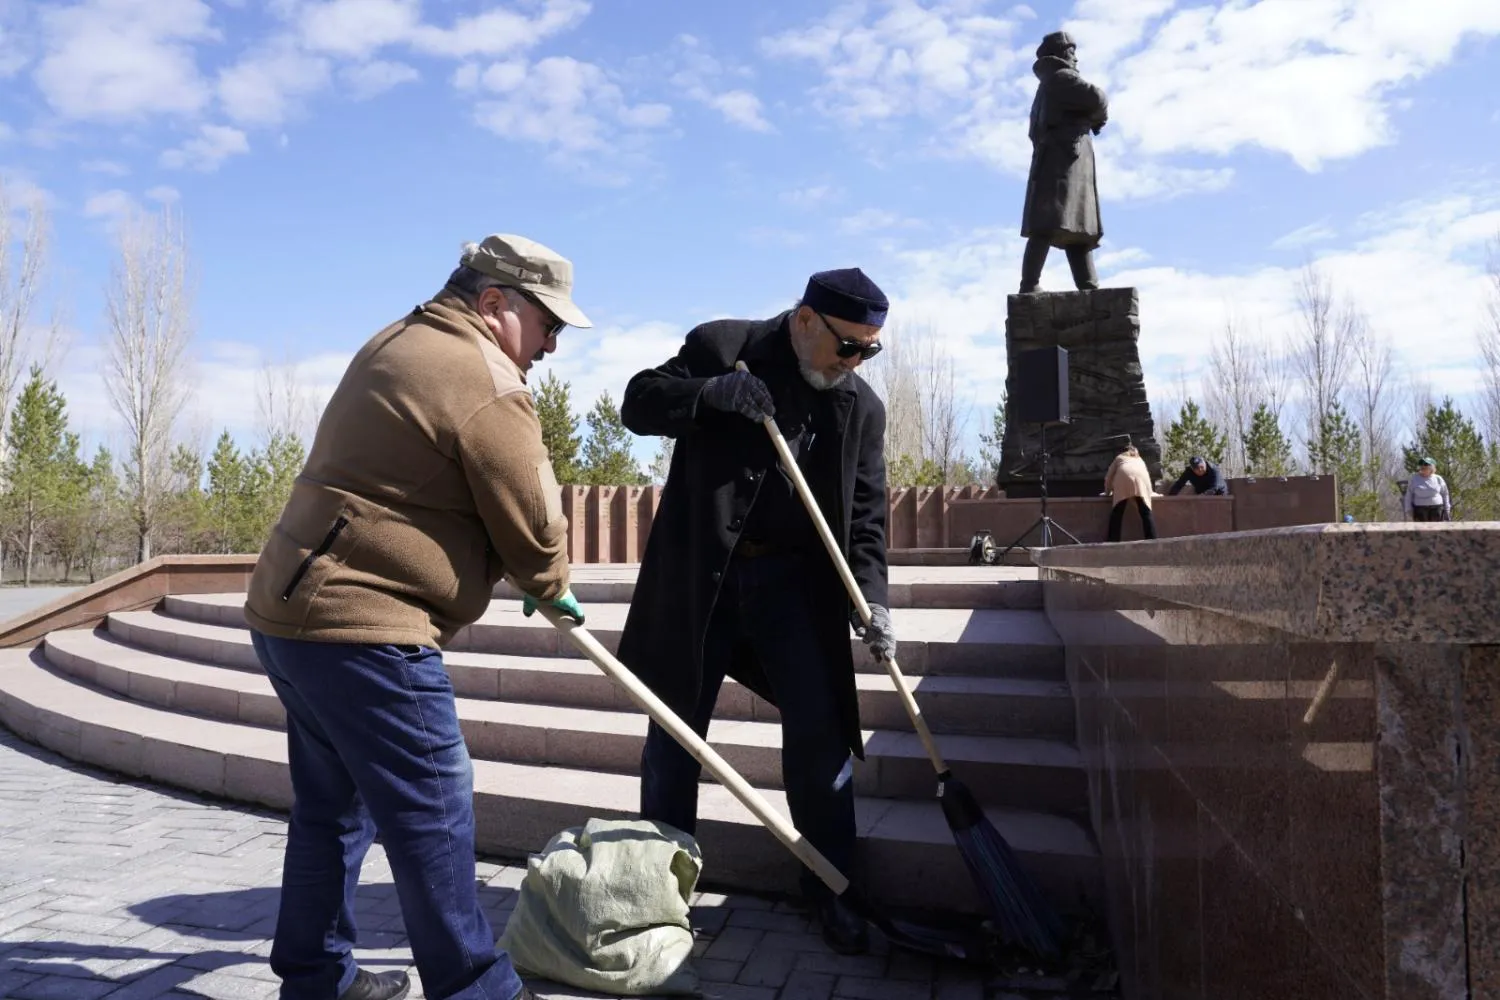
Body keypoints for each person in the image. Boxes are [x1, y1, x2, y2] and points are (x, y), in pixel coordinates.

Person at [242, 234, 591, 1000]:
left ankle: (314, 979)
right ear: (496, 304)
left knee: (332, 813)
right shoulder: (484, 377)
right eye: (549, 325)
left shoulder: (397, 341)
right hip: (366, 629)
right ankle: (476, 989)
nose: (554, 345)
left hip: (290, 614)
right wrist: (550, 579)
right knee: (433, 814)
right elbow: (534, 518)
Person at [616, 268, 895, 956]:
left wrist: (874, 598)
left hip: (794, 589)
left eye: (869, 350)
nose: (855, 362)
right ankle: (661, 894)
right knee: (677, 739)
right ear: (805, 320)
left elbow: (865, 517)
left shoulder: (860, 406)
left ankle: (831, 889)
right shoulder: (723, 348)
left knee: (821, 736)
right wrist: (709, 395)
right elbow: (638, 403)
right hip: (703, 582)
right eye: (848, 346)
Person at [1019, 30, 1109, 294]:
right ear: (1060, 54)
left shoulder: (1050, 84)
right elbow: (1096, 97)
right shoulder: (1060, 78)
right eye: (1072, 52)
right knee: (1048, 223)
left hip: (1064, 163)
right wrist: (1096, 113)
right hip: (1063, 165)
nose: (1076, 59)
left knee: (1076, 229)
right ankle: (1031, 284)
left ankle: (1087, 287)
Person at [1104, 443, 1157, 541]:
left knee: (1117, 513)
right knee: (1145, 512)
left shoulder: (1119, 458)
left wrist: (1107, 492)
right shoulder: (1140, 459)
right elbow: (1147, 478)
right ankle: (1152, 540)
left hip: (1123, 481)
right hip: (1141, 482)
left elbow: (1109, 477)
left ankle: (1113, 541)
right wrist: (1149, 493)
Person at [1404, 457, 1451, 521]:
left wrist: (1447, 508)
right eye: (1421, 464)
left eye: (1426, 464)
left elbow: (1445, 494)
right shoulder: (1414, 478)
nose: (1423, 466)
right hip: (1420, 509)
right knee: (1421, 529)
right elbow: (1409, 495)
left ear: (1432, 467)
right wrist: (1408, 509)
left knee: (1436, 529)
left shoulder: (1438, 478)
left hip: (1437, 509)